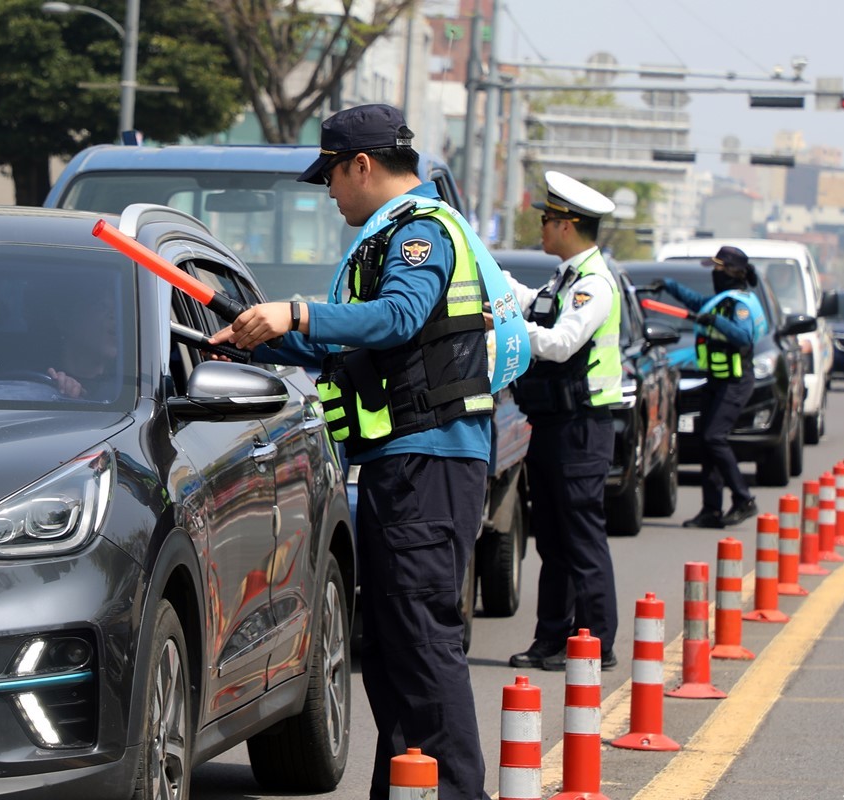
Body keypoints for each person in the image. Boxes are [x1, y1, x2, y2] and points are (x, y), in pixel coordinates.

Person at [209, 103, 494, 800]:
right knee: (394, 647)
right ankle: (405, 789)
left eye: (330, 177)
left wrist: (297, 311)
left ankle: (455, 792)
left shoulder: (422, 233)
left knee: (421, 641)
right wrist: (257, 333)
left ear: (360, 165)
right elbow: (345, 340)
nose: (329, 193)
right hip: (402, 461)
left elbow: (397, 317)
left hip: (429, 460)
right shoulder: (382, 236)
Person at [504, 170, 621, 672]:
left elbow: (560, 341)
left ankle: (595, 643)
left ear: (569, 225)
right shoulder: (567, 276)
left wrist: (510, 328)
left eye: (549, 219)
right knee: (551, 539)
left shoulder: (593, 285)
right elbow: (535, 303)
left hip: (582, 428)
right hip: (555, 425)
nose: (543, 227)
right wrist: (493, 280)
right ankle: (551, 639)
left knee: (581, 540)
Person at [650, 245, 768, 529]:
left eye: (717, 269)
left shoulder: (740, 303)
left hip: (735, 380)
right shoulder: (723, 300)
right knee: (707, 442)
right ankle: (711, 510)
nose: (714, 274)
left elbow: (743, 339)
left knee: (715, 438)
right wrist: (669, 287)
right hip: (717, 378)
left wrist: (714, 321)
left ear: (731, 273)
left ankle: (743, 499)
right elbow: (698, 303)